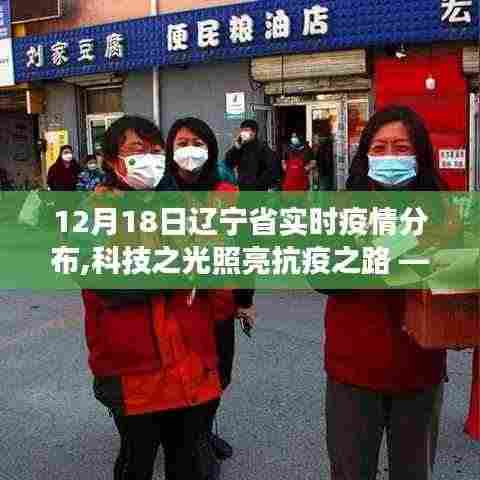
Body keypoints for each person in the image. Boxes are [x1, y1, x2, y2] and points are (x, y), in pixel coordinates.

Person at [81, 116, 222, 480]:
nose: (150, 159)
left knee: (185, 459)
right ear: (112, 161)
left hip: (188, 359)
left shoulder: (179, 206)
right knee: (138, 459)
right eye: (137, 150)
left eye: (157, 151)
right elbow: (103, 282)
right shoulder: (94, 212)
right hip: (134, 369)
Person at [315, 105, 450, 480]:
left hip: (421, 368)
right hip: (353, 370)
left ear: (419, 154)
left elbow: (455, 277)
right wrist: (376, 253)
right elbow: (319, 276)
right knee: (350, 469)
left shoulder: (441, 207)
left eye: (401, 148)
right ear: (365, 155)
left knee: (414, 471)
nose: (390, 157)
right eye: (379, 147)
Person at [166, 117, 256, 479]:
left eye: (198, 143)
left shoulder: (228, 193)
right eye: (182, 143)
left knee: (219, 375)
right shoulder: (158, 193)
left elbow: (246, 248)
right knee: (180, 378)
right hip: (174, 310)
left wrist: (245, 299)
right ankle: (191, 444)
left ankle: (202, 433)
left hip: (218, 306)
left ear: (211, 150)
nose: (190, 150)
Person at [225, 119, 281, 191]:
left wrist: (259, 184)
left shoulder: (262, 148)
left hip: (258, 190)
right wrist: (236, 147)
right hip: (243, 189)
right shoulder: (240, 147)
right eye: (242, 130)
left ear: (254, 132)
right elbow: (229, 162)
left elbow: (273, 169)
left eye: (247, 130)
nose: (243, 133)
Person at [312, 120, 335, 191]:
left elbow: (320, 157)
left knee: (323, 187)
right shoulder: (327, 142)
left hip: (324, 170)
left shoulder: (325, 143)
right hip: (325, 170)